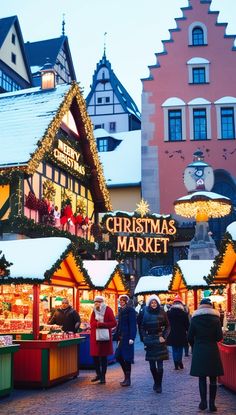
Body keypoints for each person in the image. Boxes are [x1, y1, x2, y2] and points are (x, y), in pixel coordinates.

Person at [188, 298, 224, 412]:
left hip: (199, 349)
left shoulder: (195, 319)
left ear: (200, 306)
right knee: (213, 378)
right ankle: (212, 404)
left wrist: (194, 345)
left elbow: (189, 336)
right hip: (212, 350)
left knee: (202, 378)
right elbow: (219, 337)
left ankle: (203, 403)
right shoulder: (216, 319)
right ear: (210, 306)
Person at [139, 294, 170, 393]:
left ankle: (159, 384)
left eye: (155, 302)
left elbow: (168, 326)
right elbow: (142, 327)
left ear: (157, 303)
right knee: (152, 366)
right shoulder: (145, 312)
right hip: (150, 340)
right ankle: (156, 382)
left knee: (160, 366)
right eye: (152, 302)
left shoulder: (162, 312)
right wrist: (144, 337)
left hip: (160, 340)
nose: (153, 304)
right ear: (149, 303)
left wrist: (164, 337)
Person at [89, 295, 117, 384]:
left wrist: (102, 324)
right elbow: (91, 322)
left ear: (102, 302)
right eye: (95, 302)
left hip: (104, 337)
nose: (97, 303)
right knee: (95, 357)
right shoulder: (94, 311)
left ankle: (103, 377)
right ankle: (98, 374)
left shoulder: (108, 310)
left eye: (99, 302)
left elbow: (113, 323)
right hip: (95, 337)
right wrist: (96, 324)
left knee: (103, 357)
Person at [113, 294, 137, 387]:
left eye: (123, 301)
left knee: (127, 358)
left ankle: (128, 379)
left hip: (127, 338)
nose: (121, 302)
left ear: (126, 301)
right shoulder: (121, 310)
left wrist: (132, 337)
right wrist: (116, 332)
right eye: (120, 301)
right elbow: (120, 324)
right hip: (121, 337)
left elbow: (132, 324)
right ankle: (126, 377)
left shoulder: (130, 310)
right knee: (118, 356)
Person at [167, 295, 190, 370]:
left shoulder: (169, 313)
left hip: (172, 333)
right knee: (180, 349)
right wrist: (188, 332)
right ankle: (179, 362)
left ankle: (176, 364)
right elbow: (187, 325)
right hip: (181, 333)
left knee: (174, 349)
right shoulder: (184, 313)